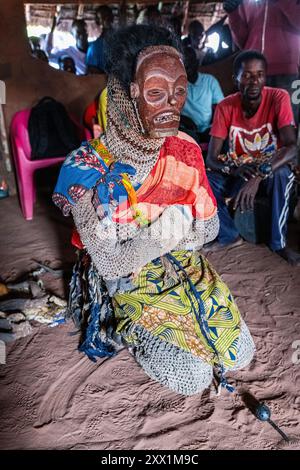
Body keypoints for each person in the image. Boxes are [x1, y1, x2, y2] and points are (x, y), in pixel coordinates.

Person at [53, 25, 255, 396]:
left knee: (240, 354)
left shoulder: (186, 149)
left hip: (180, 260)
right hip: (128, 277)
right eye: (156, 93)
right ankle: (123, 324)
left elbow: (209, 229)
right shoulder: (85, 169)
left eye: (179, 92)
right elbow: (111, 264)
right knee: (190, 377)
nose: (172, 105)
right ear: (128, 94)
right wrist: (172, 229)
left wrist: (166, 234)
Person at [206, 50, 299, 265]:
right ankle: (229, 235)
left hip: (270, 169)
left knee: (283, 174)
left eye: (259, 74)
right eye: (247, 75)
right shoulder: (225, 106)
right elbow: (211, 158)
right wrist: (234, 171)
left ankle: (279, 244)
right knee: (205, 181)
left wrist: (258, 176)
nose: (254, 81)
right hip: (240, 169)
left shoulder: (278, 97)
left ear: (266, 76)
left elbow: (292, 147)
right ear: (236, 79)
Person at [223, 0, 300, 123]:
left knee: (287, 124)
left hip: (286, 73)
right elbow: (242, 41)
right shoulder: (249, 2)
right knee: (255, 125)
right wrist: (233, 13)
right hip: (254, 71)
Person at [181, 46, 224, 143]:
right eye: (184, 64)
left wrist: (213, 126)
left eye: (190, 63)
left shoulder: (209, 81)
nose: (187, 67)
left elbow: (220, 107)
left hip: (209, 128)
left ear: (196, 63)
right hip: (187, 129)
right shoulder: (178, 85)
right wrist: (183, 119)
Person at [86, 6, 114, 74]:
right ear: (98, 21)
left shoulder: (123, 41)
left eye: (108, 16)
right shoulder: (94, 47)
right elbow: (91, 70)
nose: (106, 19)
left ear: (112, 18)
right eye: (103, 17)